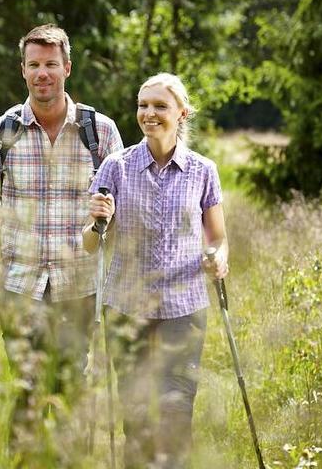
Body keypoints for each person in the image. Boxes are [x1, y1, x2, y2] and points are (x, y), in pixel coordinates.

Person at [0, 23, 122, 464]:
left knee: (72, 388)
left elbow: (122, 205)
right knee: (27, 392)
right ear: (23, 70)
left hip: (79, 285)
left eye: (51, 64)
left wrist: (108, 218)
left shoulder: (101, 133)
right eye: (34, 65)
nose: (43, 73)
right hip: (20, 285)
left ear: (67, 68)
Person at [83, 72, 229, 469]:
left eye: (160, 106)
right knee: (136, 415)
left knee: (177, 412)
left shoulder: (203, 170)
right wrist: (97, 219)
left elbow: (218, 238)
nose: (149, 114)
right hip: (126, 307)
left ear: (182, 114)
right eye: (143, 105)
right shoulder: (117, 166)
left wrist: (217, 257)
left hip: (184, 309)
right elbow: (89, 242)